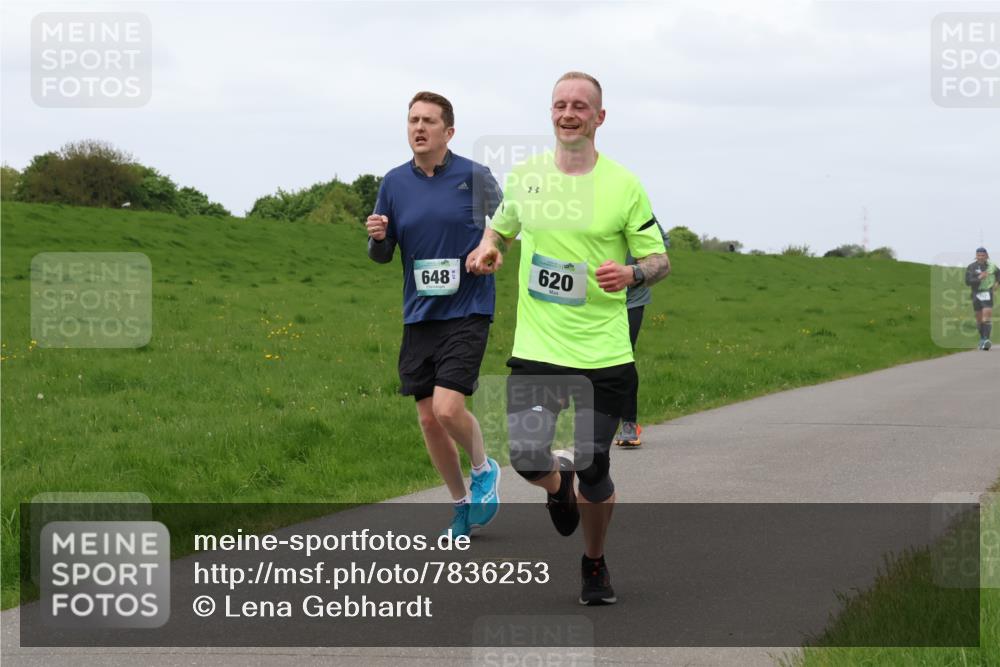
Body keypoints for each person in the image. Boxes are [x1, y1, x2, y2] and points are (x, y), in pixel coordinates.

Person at [467, 72, 670, 605]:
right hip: (539, 349)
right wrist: (490, 248)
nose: (568, 113)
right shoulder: (527, 177)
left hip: (603, 352)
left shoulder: (624, 185)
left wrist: (633, 273)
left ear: (599, 117)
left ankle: (594, 562)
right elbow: (501, 227)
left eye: (580, 105)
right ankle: (557, 490)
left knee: (593, 465)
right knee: (526, 456)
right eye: (560, 104)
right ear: (551, 113)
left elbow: (659, 259)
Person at [367, 91, 502, 537]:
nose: (419, 128)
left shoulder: (475, 176)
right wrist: (378, 237)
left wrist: (488, 249)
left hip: (468, 308)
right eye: (413, 120)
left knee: (447, 409)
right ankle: (460, 504)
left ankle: (483, 469)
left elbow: (505, 227)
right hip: (419, 313)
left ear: (449, 131)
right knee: (428, 419)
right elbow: (382, 255)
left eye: (428, 121)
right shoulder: (393, 183)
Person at [615, 225, 670, 448]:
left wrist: (639, 269)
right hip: (593, 298)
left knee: (623, 356)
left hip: (631, 297)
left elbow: (661, 242)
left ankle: (629, 423)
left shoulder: (635, 207)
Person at [965, 247, 998, 351]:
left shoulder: (992, 266)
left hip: (987, 293)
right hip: (976, 294)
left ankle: (986, 340)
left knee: (986, 317)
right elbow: (968, 282)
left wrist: (997, 284)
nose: (981, 257)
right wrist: (979, 277)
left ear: (986, 256)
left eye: (983, 255)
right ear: (976, 256)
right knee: (979, 320)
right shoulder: (971, 267)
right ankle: (982, 338)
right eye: (979, 255)